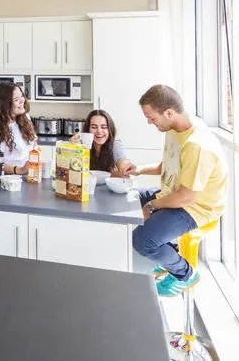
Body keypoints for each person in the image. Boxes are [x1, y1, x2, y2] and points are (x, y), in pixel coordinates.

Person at [129, 84, 228, 297]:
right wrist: (138, 170)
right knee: (127, 200)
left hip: (196, 206)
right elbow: (169, 164)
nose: (149, 122)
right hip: (174, 193)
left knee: (141, 240)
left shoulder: (197, 145)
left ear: (169, 112)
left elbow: (186, 196)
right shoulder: (174, 129)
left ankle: (184, 274)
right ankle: (169, 256)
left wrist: (151, 206)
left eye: (152, 118)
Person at [0, 82, 37, 175]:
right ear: (5, 105)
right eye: (16, 99)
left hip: (30, 175)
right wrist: (20, 170)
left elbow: (33, 143)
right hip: (8, 179)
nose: (22, 100)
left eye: (22, 96)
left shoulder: (25, 118)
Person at [71, 109, 135, 177]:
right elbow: (73, 173)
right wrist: (72, 149)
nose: (99, 131)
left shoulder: (115, 145)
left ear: (110, 129)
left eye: (104, 127)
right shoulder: (82, 145)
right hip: (87, 187)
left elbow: (123, 161)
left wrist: (126, 169)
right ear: (88, 129)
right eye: (94, 127)